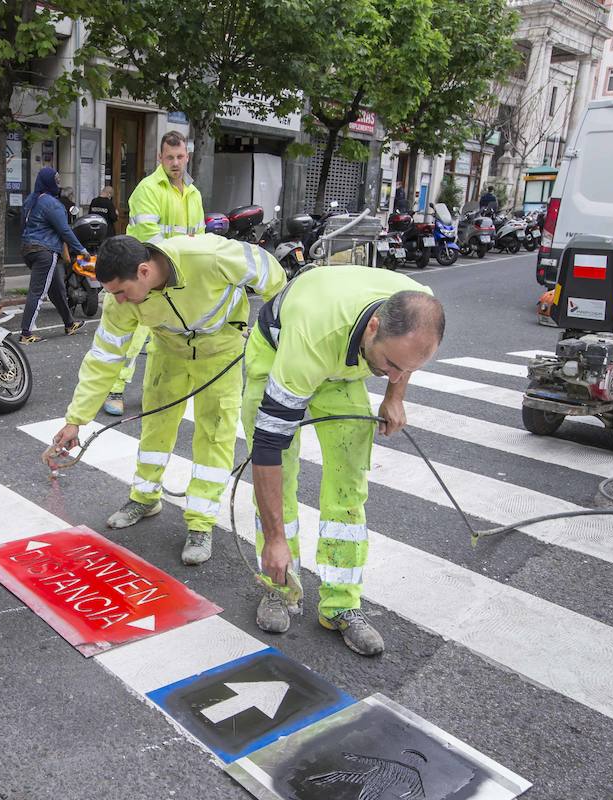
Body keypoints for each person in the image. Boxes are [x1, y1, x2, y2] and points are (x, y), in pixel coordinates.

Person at [45, 233, 284, 566]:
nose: (120, 302)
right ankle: (144, 498)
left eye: (122, 292)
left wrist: (275, 329)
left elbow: (272, 275)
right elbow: (103, 357)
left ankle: (201, 524)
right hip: (168, 352)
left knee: (214, 435)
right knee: (155, 429)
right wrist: (76, 420)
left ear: (144, 271)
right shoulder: (120, 301)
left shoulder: (210, 256)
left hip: (220, 351)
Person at [244, 266, 445, 656]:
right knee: (280, 474)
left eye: (405, 369)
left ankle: (341, 605)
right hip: (281, 355)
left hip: (345, 371)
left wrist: (395, 394)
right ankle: (279, 588)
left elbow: (404, 358)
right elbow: (268, 447)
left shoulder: (417, 303)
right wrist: (275, 539)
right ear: (373, 327)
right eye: (390, 364)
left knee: (349, 483)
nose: (394, 373)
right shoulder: (310, 336)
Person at [102, 131, 207, 418]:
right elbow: (152, 239)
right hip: (140, 276)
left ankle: (161, 390)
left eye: (180, 157)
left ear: (187, 157)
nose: (175, 162)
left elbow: (200, 236)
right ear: (159, 158)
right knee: (131, 338)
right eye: (169, 157)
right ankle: (115, 389)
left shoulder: (193, 194)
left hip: (173, 278)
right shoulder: (148, 190)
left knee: (170, 336)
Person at [20, 166, 88, 343]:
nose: (59, 182)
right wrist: (81, 249)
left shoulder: (30, 200)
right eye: (56, 180)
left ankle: (69, 323)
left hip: (28, 250)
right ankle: (26, 333)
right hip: (45, 252)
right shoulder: (52, 203)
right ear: (50, 182)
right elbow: (64, 230)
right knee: (38, 292)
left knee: (56, 288)